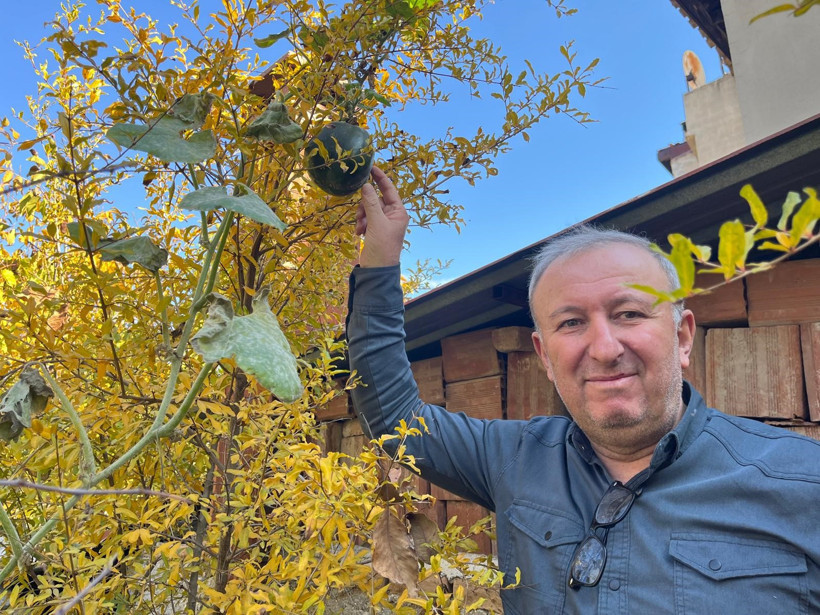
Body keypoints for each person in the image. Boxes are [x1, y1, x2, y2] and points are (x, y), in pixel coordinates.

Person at [346, 167, 820, 614]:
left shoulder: (802, 483)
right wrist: (380, 261)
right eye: (571, 322)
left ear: (681, 336)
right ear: (545, 356)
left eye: (629, 313)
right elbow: (395, 417)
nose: (604, 348)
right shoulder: (513, 459)